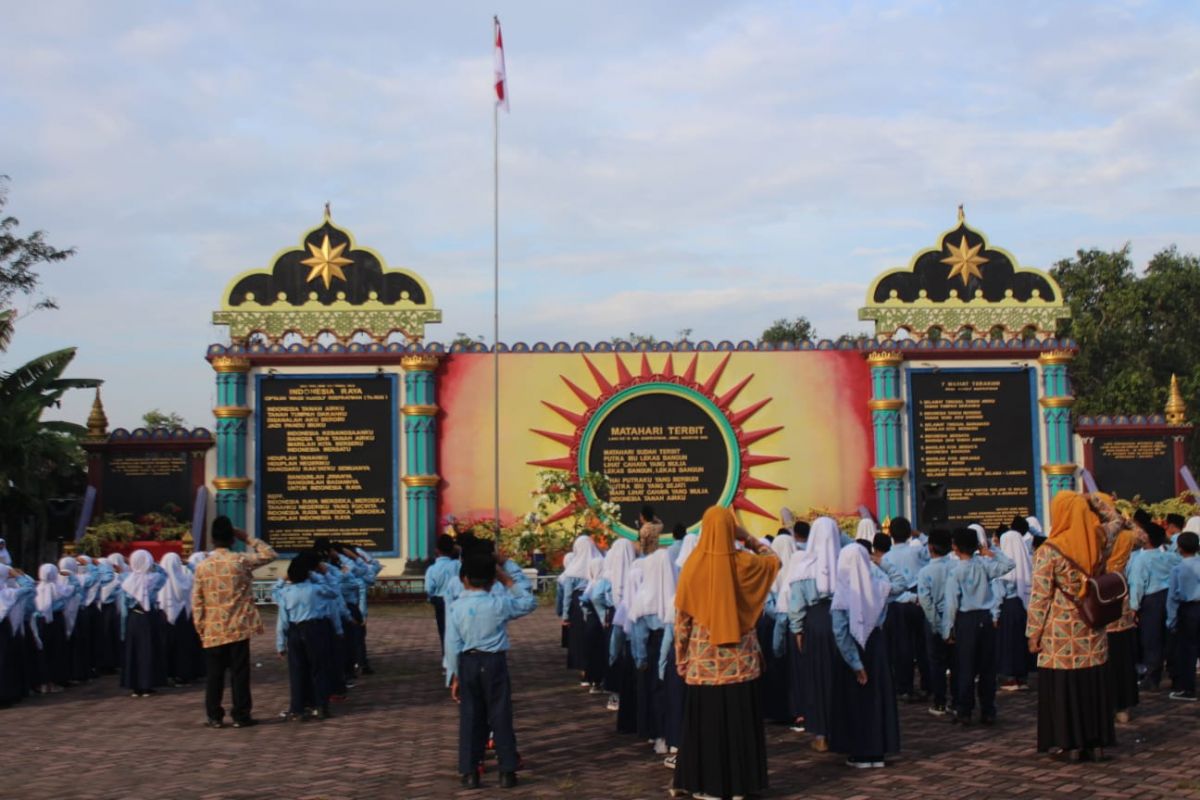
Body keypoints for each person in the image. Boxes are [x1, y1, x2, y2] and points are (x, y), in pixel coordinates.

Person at [671, 506, 779, 800]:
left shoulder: (693, 567)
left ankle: (710, 786)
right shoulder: (745, 563)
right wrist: (749, 538)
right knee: (739, 724)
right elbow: (774, 560)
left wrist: (681, 658)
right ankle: (740, 785)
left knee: (706, 728)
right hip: (741, 663)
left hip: (704, 665)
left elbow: (682, 621)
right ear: (732, 529)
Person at [1026, 491, 1124, 761]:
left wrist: (1033, 634)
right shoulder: (1098, 539)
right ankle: (1096, 740)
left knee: (1064, 687)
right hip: (1092, 626)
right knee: (1093, 682)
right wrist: (1093, 502)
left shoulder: (1049, 551)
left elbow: (1040, 597)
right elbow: (1118, 520)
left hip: (1060, 635)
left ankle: (1068, 743)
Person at [445, 549, 538, 790]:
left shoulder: (456, 608)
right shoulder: (498, 603)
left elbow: (452, 644)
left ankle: (469, 772)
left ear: (464, 578)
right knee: (500, 715)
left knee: (470, 717)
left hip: (468, 662)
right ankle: (507, 771)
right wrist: (507, 580)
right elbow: (529, 602)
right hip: (494, 661)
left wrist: (454, 674)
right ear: (492, 579)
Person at [191, 516, 277, 729]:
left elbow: (197, 600)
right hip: (238, 626)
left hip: (213, 627)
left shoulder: (203, 566)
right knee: (239, 673)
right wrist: (247, 537)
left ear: (212, 539)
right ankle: (241, 714)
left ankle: (214, 715)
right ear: (232, 539)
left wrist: (200, 627)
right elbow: (270, 554)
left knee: (214, 675)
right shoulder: (239, 561)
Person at [829, 542, 899, 768]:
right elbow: (902, 583)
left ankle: (860, 753)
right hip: (876, 647)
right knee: (877, 698)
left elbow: (841, 633)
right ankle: (877, 752)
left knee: (857, 702)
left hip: (854, 651)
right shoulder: (878, 586)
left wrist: (855, 663)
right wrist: (880, 562)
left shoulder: (841, 592)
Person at [942, 528, 1014, 725]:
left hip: (966, 620)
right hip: (985, 618)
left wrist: (947, 629)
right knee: (987, 667)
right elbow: (1009, 564)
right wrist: (991, 552)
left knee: (965, 666)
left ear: (955, 546)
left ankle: (964, 710)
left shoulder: (955, 571)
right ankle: (988, 710)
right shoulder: (984, 565)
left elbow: (951, 604)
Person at [785, 517, 843, 749]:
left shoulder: (803, 567)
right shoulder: (845, 563)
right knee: (842, 676)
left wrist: (797, 630)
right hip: (841, 620)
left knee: (817, 678)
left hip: (815, 624)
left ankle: (821, 735)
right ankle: (842, 729)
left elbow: (796, 605)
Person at [275, 551, 340, 720]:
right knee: (319, 669)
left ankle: (298, 708)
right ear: (308, 573)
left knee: (297, 671)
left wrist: (281, 644)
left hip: (295, 631)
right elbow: (334, 591)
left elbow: (282, 621)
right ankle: (321, 706)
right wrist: (322, 574)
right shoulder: (316, 589)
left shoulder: (286, 593)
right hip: (315, 629)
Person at [629, 546, 676, 755]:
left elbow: (638, 635)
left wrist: (640, 659)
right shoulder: (676, 593)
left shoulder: (643, 597)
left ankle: (659, 737)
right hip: (674, 649)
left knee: (655, 693)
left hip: (652, 648)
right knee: (672, 693)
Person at [881, 516, 930, 702]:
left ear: (890, 534)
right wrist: (920, 535)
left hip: (897, 602)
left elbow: (887, 585)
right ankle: (928, 685)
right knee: (922, 645)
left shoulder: (886, 557)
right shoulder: (917, 551)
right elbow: (933, 550)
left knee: (902, 648)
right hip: (917, 600)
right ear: (909, 533)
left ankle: (904, 687)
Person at [1129, 523, 1179, 689]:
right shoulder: (1171, 556)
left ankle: (1152, 678)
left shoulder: (1141, 559)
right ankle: (1175, 675)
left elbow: (1137, 584)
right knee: (1170, 638)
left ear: (1147, 538)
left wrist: (1133, 607)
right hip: (1170, 597)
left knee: (1151, 640)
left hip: (1151, 601)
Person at [916, 529, 955, 716]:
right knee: (955, 662)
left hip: (935, 618)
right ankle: (957, 701)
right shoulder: (956, 566)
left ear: (930, 547)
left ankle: (940, 702)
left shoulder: (925, 572)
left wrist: (937, 625)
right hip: (954, 617)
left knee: (936, 662)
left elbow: (925, 601)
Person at [1104, 522, 1139, 722]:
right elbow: (1141, 535)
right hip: (1122, 614)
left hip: (1101, 616)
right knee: (1123, 660)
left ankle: (1107, 705)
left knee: (1105, 662)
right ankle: (1123, 707)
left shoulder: (1097, 541)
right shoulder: (1126, 543)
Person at [120, 549, 166, 697]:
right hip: (148, 617)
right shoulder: (155, 578)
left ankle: (135, 686)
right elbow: (165, 575)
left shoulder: (126, 580)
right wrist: (154, 565)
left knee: (134, 650)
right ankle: (147, 684)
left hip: (133, 617)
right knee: (148, 650)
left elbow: (124, 604)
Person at [994, 528, 1034, 691]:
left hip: (1008, 607)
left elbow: (998, 591)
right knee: (1020, 642)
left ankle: (1010, 677)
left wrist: (995, 614)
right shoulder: (1027, 562)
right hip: (1023, 607)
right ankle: (1022, 677)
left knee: (1008, 642)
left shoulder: (1003, 565)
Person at [559, 534, 602, 676]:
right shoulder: (600, 563)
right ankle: (595, 670)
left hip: (577, 605)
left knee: (579, 637)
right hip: (596, 602)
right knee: (595, 636)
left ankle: (583, 669)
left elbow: (568, 595)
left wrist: (565, 615)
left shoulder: (572, 570)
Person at [159, 552, 203, 686]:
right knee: (182, 647)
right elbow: (199, 572)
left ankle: (167, 675)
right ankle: (182, 675)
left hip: (164, 615)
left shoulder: (159, 579)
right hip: (183, 615)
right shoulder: (185, 579)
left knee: (167, 647)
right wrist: (189, 564)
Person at [1166, 530, 1200, 701]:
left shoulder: (1178, 569)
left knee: (1187, 651)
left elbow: (1172, 597)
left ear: (1179, 548)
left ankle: (1188, 689)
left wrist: (1171, 620)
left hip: (1188, 610)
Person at [425, 534, 459, 654]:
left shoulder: (432, 569)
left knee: (444, 631)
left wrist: (431, 598)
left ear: (437, 550)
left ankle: (447, 660)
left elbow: (429, 588)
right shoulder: (457, 565)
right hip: (457, 601)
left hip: (440, 601)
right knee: (459, 630)